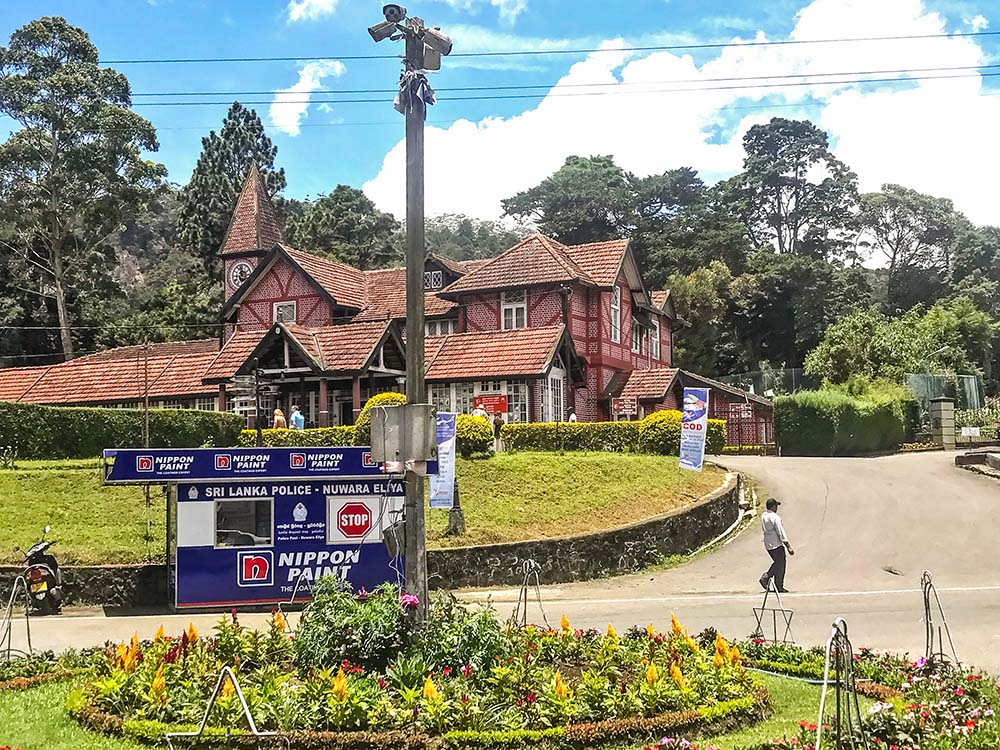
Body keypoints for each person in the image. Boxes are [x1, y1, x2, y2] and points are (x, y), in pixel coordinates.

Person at [759, 497, 794, 593]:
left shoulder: (764, 516)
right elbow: (780, 532)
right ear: (773, 507)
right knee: (780, 563)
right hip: (776, 544)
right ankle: (769, 579)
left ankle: (776, 584)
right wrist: (788, 546)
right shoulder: (775, 518)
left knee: (778, 563)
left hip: (768, 544)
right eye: (776, 506)